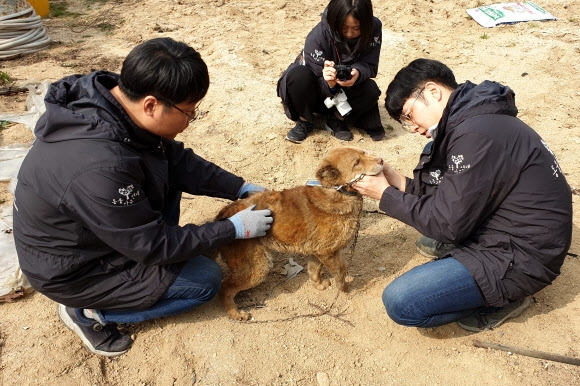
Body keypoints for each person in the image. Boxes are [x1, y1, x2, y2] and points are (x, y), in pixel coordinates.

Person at [12, 37, 273, 357]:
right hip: (76, 269)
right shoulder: (100, 166)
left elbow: (177, 161)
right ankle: (87, 312)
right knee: (205, 281)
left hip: (103, 231)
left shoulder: (113, 105)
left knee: (166, 175)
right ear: (151, 104)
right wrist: (233, 229)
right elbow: (152, 245)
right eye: (189, 113)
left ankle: (146, 273)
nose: (190, 122)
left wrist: (240, 187)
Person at [353, 58, 573, 331]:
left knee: (402, 302)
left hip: (522, 258)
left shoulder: (476, 136)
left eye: (408, 116)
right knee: (431, 239)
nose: (413, 128)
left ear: (433, 92)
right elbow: (448, 195)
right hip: (507, 229)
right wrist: (397, 181)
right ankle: (471, 264)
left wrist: (384, 194)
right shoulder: (473, 122)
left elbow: (446, 224)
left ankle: (507, 299)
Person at [277, 0, 385, 144]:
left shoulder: (374, 27)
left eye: (357, 28)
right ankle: (305, 121)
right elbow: (310, 78)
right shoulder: (318, 36)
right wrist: (329, 83)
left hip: (346, 92)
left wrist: (358, 72)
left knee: (370, 90)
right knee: (297, 76)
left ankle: (337, 119)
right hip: (314, 94)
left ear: (366, 23)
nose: (350, 33)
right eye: (344, 27)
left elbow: (370, 64)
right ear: (335, 21)